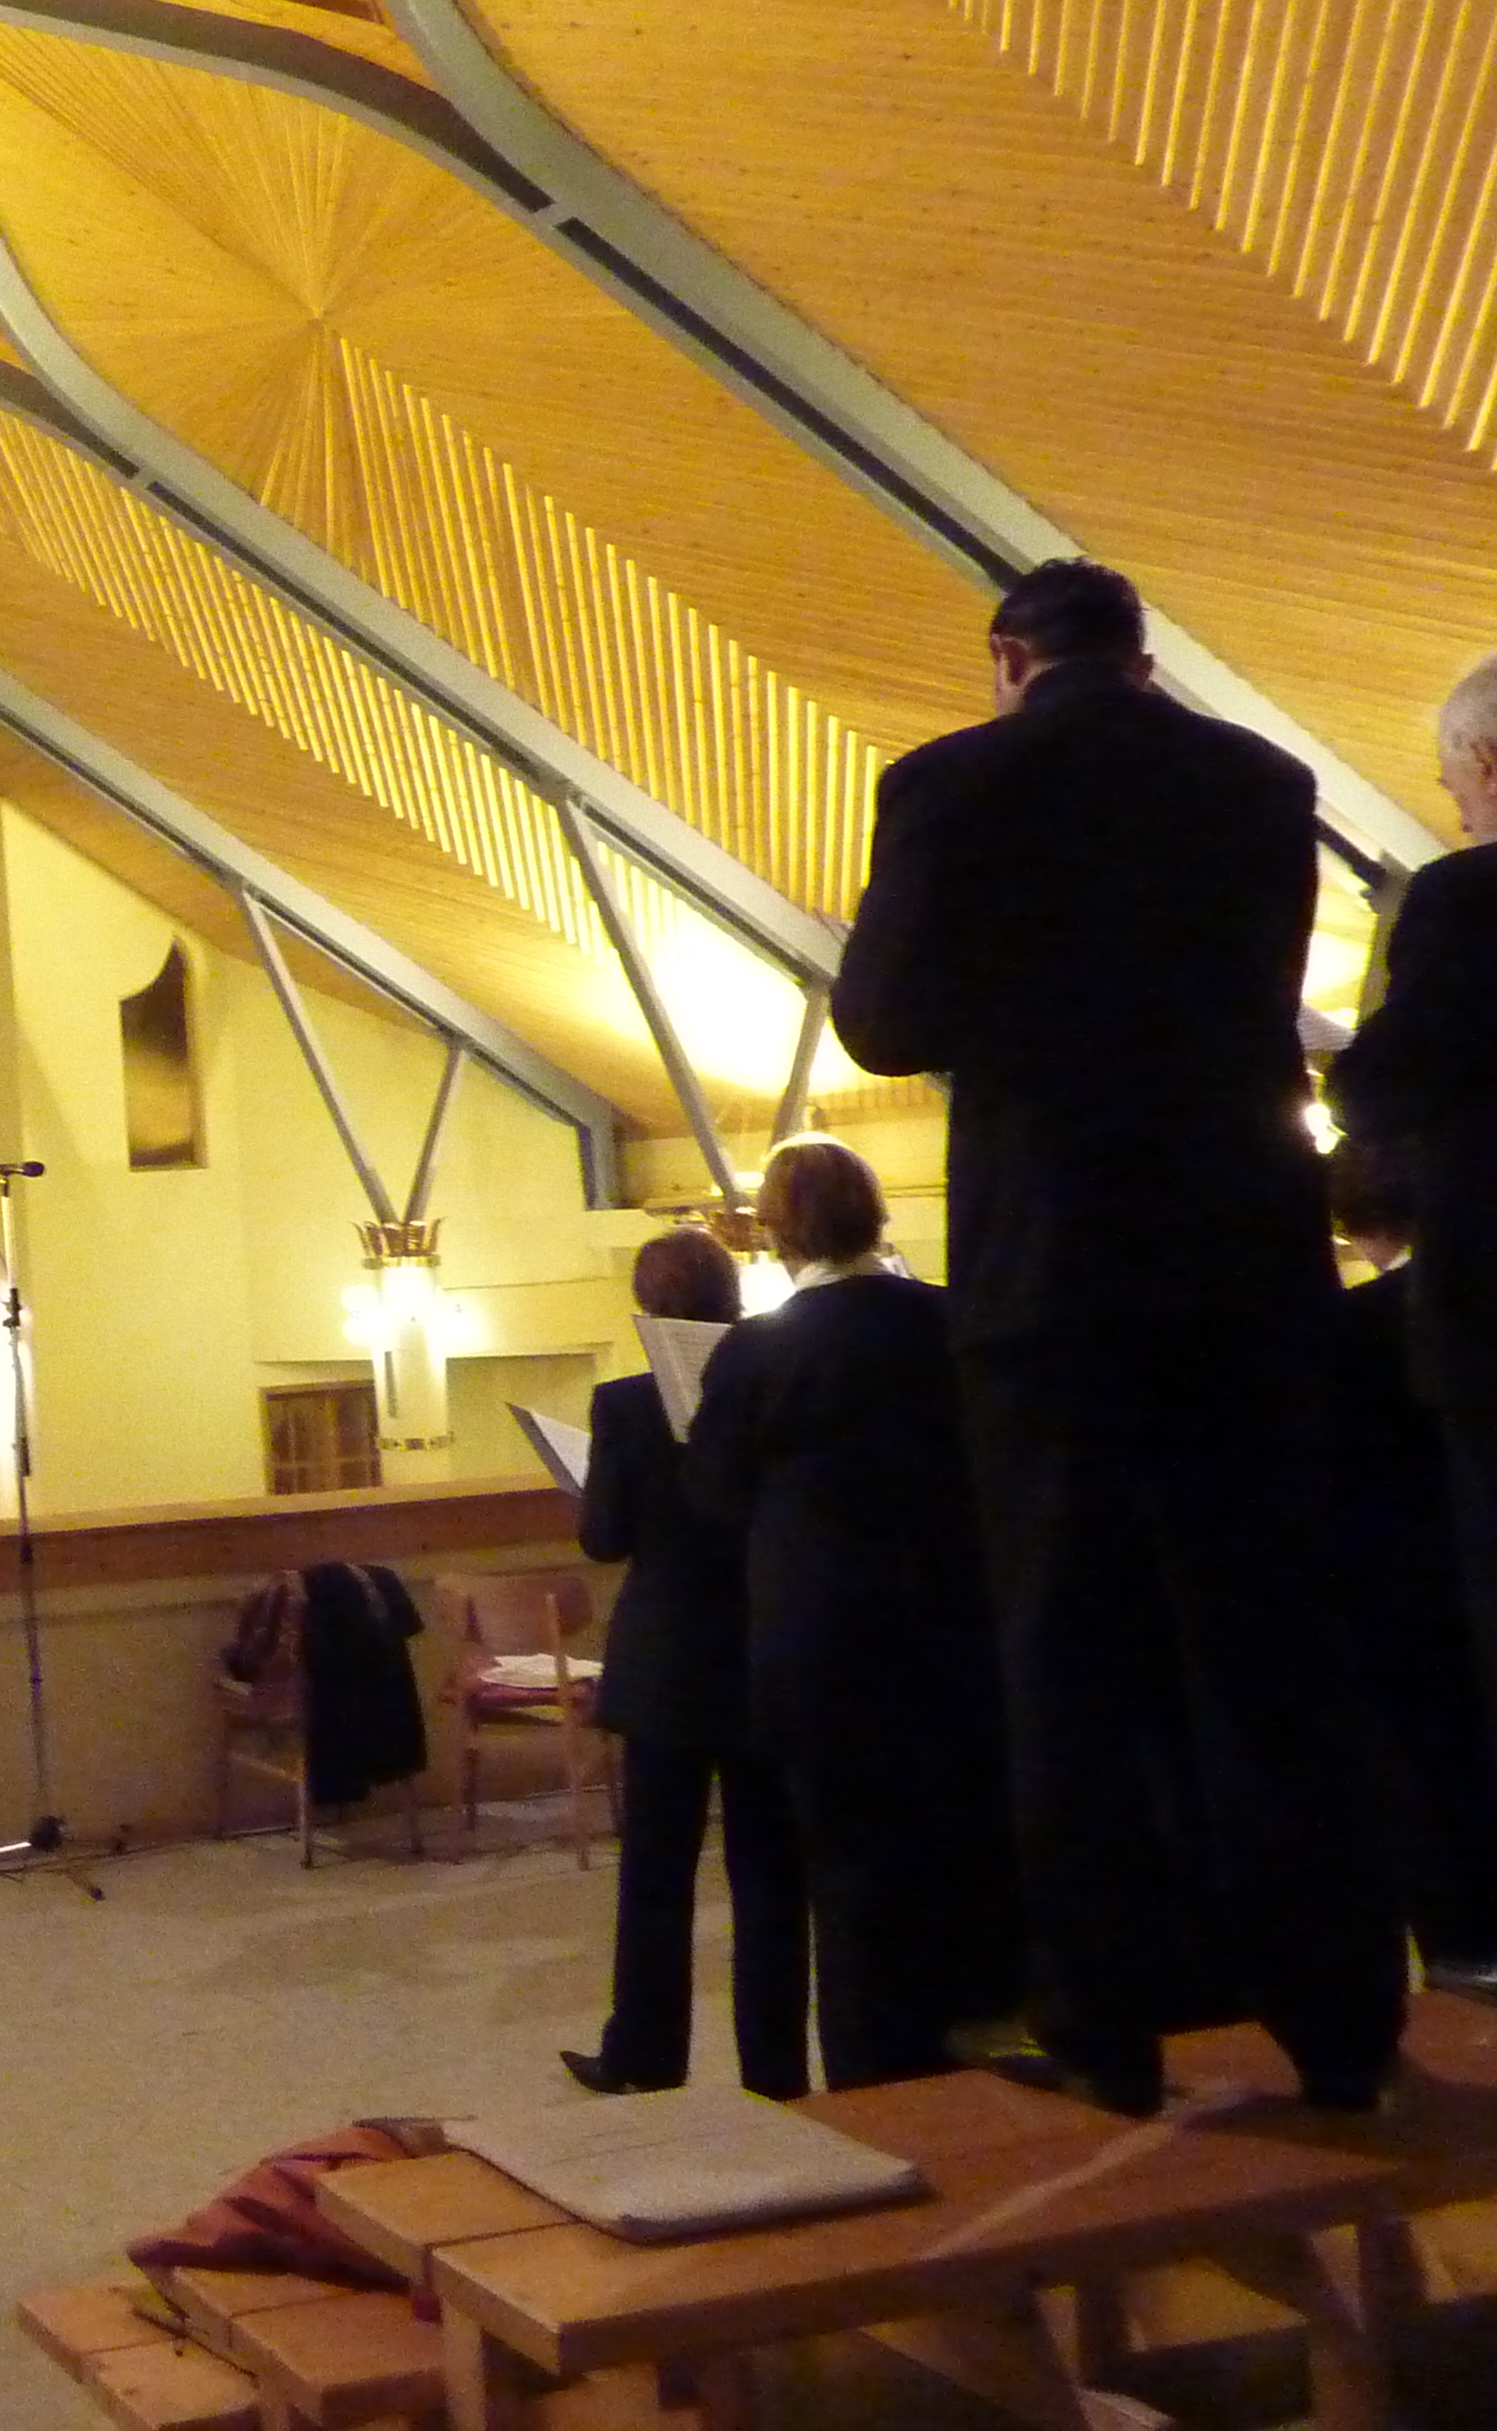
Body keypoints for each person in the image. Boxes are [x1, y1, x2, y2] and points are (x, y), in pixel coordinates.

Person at [832, 557, 1404, 2113]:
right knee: (1273, 1643)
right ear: (1142, 660)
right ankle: (1342, 2018)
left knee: (1066, 1655)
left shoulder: (949, 783)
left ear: (1011, 657)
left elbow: (885, 1022)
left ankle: (1106, 2028)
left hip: (1055, 1271)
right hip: (1246, 1264)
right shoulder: (1262, 779)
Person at [684, 1139, 1021, 2090]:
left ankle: (875, 2075)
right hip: (954, 1631)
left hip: (823, 1643)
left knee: (850, 1873)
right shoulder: (947, 1319)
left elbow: (713, 1496)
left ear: (780, 1231)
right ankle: (971, 2054)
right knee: (960, 1847)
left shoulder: (760, 1349)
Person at [1327, 646, 1497, 1937]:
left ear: (1492, 766)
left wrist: (1337, 1065)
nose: (1456, 808)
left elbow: (1383, 1085)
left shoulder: (1471, 899)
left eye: (1456, 786)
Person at [566, 1226, 808, 2099]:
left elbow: (604, 1538)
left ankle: (644, 2055)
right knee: (770, 1877)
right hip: (760, 1649)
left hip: (667, 1666)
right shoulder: (778, 1386)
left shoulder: (625, 1404)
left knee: (656, 1873)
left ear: (649, 1307)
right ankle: (774, 2070)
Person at [1320, 1142, 1497, 1995]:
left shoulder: (1348, 1330)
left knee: (1435, 1775)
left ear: (1355, 1225)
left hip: (1402, 1590)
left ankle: (1471, 1948)